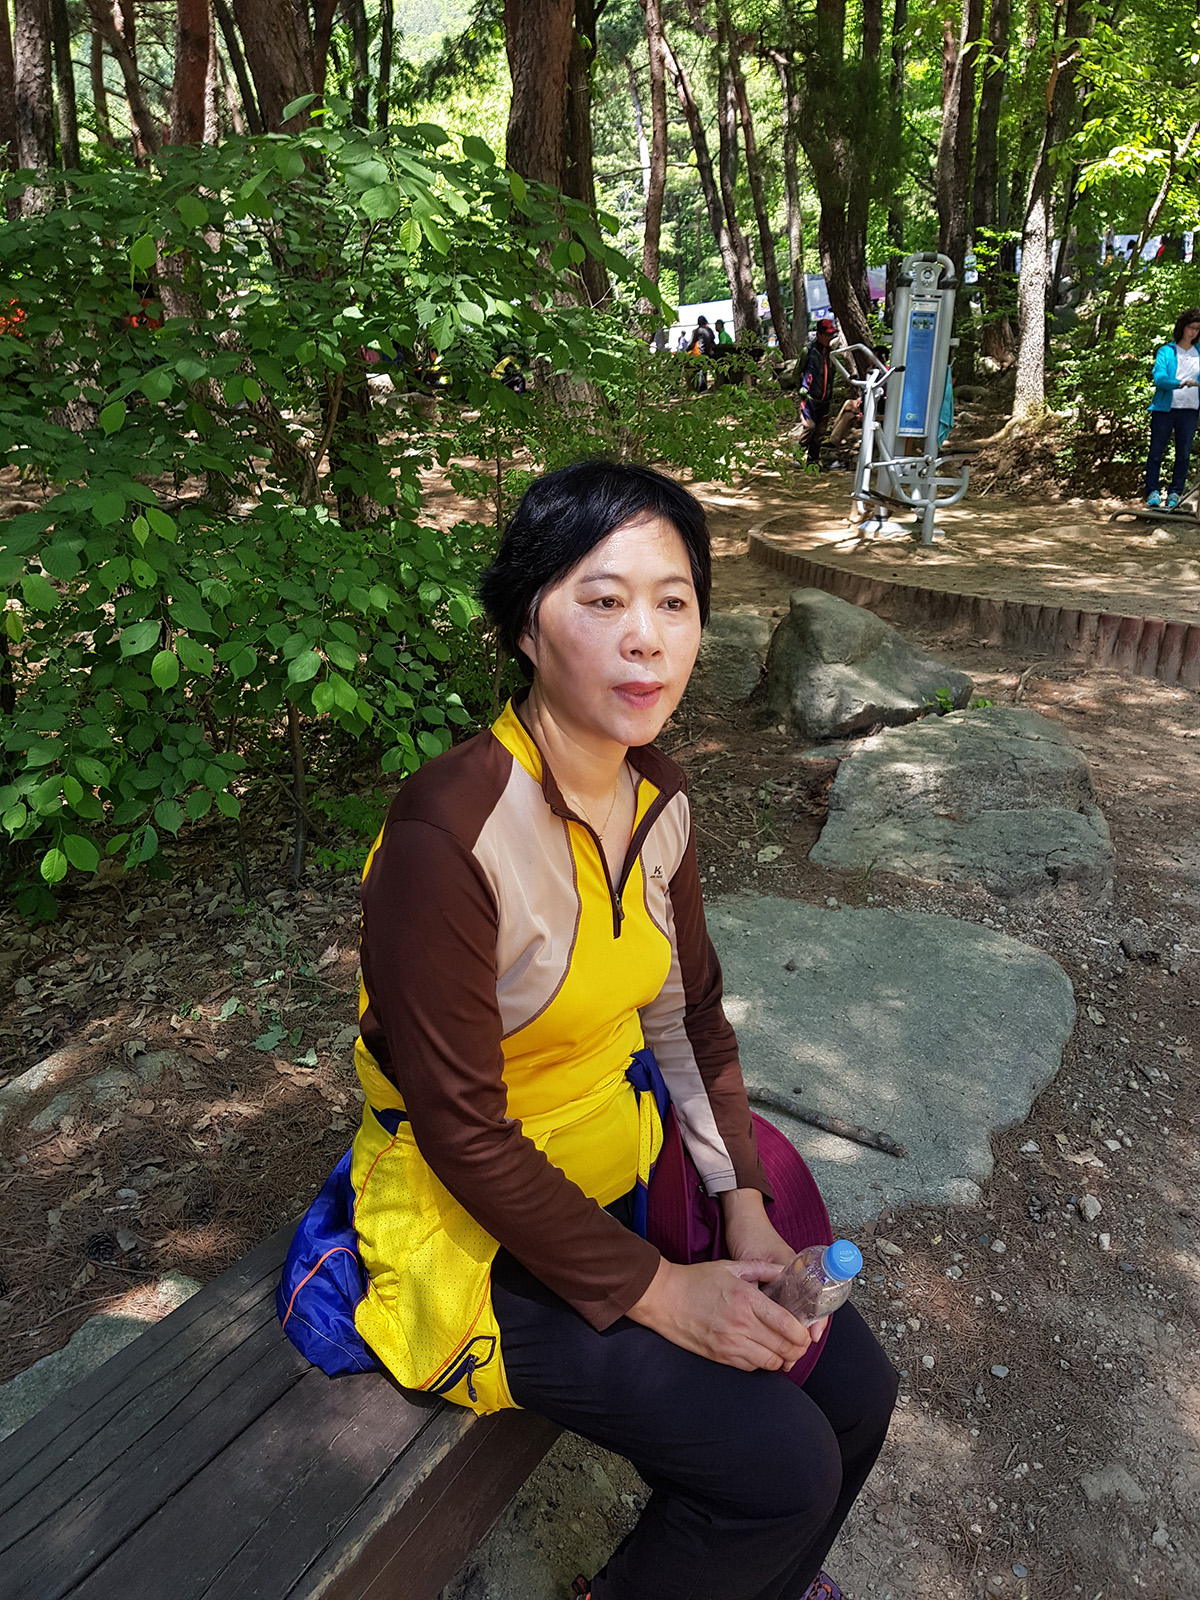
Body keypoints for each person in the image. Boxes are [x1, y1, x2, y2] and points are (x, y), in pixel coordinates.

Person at [280, 461, 897, 1600]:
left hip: (625, 1160)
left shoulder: (658, 800)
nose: (645, 638)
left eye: (674, 601)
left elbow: (688, 1019)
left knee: (857, 1392)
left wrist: (742, 1205)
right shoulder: (448, 833)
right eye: (602, 600)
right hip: (473, 1225)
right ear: (526, 625)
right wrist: (666, 1293)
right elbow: (463, 1133)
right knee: (778, 1467)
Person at [1146, 307, 1200, 509]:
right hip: (1165, 409)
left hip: (1190, 409)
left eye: (1197, 328)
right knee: (1156, 452)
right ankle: (1152, 492)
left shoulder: (1199, 352)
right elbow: (1160, 378)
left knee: (1183, 454)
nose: (1193, 332)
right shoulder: (1166, 351)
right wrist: (1179, 383)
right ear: (1182, 327)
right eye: (1190, 327)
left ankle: (1175, 493)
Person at [795, 318, 838, 473]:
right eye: (827, 334)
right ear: (819, 334)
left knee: (820, 431)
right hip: (810, 399)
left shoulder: (832, 354)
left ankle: (813, 461)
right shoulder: (808, 351)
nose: (830, 337)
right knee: (809, 427)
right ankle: (797, 457)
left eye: (832, 334)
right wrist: (801, 389)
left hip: (825, 400)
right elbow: (797, 372)